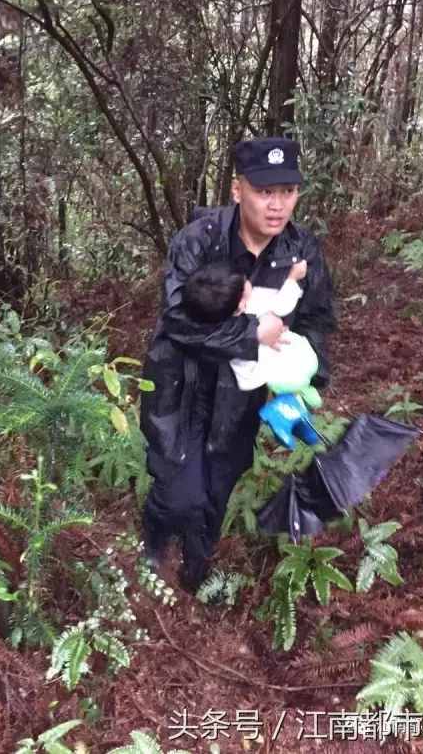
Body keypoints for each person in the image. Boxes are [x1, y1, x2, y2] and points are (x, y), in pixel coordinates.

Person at [139, 137, 336, 590]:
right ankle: (155, 541)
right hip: (181, 384)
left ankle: (195, 571)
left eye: (287, 191)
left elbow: (317, 316)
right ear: (237, 190)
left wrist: (306, 376)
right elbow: (178, 321)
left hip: (240, 395)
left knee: (217, 487)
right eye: (265, 191)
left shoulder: (301, 250)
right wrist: (252, 334)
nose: (277, 205)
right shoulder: (199, 241)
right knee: (177, 487)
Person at [181, 258, 320, 393]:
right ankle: (303, 390)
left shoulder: (217, 315)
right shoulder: (251, 302)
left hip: (252, 377)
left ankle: (303, 390)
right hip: (274, 369)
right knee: (299, 369)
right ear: (240, 304)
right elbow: (282, 304)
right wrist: (292, 279)